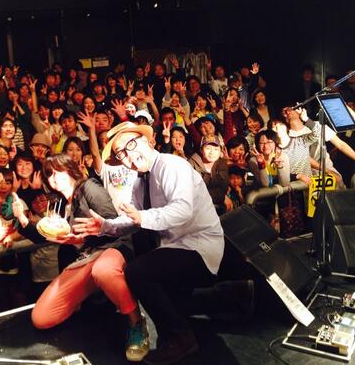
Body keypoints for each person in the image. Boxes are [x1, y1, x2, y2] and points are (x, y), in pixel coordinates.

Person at [74, 121, 224, 364]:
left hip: (198, 247)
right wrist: (104, 226)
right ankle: (232, 296)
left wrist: (142, 217)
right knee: (169, 293)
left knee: (137, 272)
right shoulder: (139, 181)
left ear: (147, 141)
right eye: (121, 154)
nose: (128, 156)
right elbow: (133, 218)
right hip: (174, 246)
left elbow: (182, 210)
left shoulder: (171, 165)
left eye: (131, 145)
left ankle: (181, 338)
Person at [12, 154, 149, 362]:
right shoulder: (59, 203)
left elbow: (115, 226)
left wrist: (86, 236)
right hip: (86, 259)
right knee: (41, 317)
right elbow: (46, 234)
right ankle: (93, 296)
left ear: (70, 169)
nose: (53, 177)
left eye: (57, 171)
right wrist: (22, 218)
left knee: (103, 270)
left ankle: (136, 322)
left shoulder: (89, 188)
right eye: (49, 174)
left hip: (111, 249)